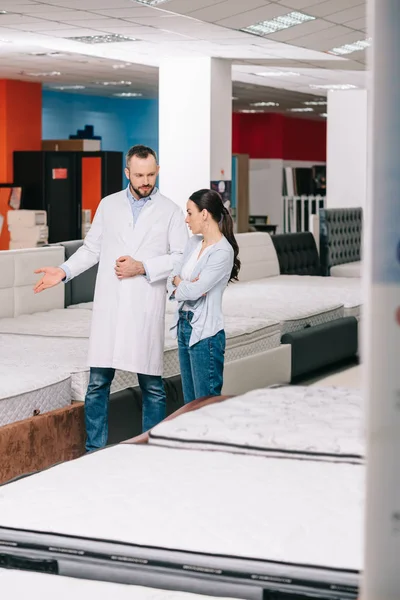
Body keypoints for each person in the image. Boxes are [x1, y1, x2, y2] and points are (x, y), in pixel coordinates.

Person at [34, 145, 188, 452]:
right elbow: (92, 250)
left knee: (153, 387)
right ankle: (95, 452)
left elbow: (181, 257)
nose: (146, 181)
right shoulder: (109, 205)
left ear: (157, 171)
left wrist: (142, 266)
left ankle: (150, 451)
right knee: (97, 384)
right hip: (111, 306)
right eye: (140, 175)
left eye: (151, 174)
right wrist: (62, 272)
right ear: (127, 173)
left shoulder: (170, 210)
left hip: (144, 303)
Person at [167, 189, 241, 404]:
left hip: (206, 334)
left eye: (190, 213)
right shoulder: (193, 244)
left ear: (205, 214)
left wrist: (183, 284)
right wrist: (184, 283)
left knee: (205, 404)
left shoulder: (222, 252)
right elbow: (174, 277)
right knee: (189, 403)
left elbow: (192, 291)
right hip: (183, 325)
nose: (186, 219)